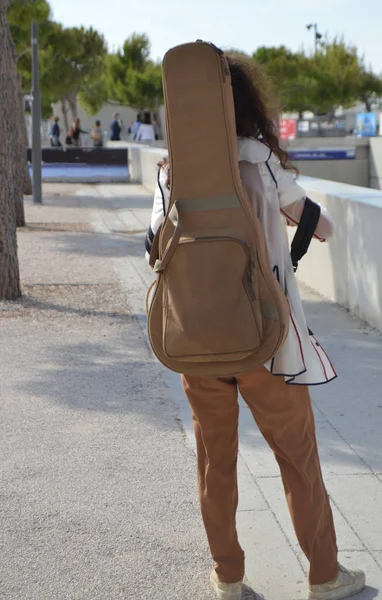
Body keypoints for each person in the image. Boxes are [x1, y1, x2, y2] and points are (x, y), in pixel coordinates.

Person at [145, 54, 366, 600]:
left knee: (214, 463)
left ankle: (228, 577)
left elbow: (152, 242)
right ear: (245, 103)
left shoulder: (173, 169)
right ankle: (324, 577)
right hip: (266, 339)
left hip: (196, 338)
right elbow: (323, 225)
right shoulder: (259, 158)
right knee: (297, 458)